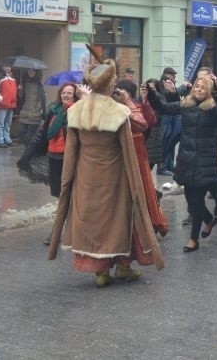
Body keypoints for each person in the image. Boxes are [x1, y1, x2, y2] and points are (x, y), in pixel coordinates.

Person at [48, 59, 164, 288]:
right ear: (110, 85)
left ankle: (101, 271)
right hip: (115, 175)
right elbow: (139, 129)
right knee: (118, 221)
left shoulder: (76, 110)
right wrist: (129, 102)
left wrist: (67, 181)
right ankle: (122, 264)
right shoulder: (119, 111)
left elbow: (71, 151)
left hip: (85, 175)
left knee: (93, 221)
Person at [148, 75, 217, 252]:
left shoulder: (213, 108)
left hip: (204, 161)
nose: (198, 89)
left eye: (202, 87)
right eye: (196, 86)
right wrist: (153, 92)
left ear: (209, 91)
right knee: (191, 200)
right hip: (186, 160)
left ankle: (193, 239)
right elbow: (163, 107)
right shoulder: (186, 105)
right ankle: (210, 220)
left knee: (197, 201)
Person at [18, 82, 84, 245]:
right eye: (64, 92)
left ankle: (56, 232)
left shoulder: (77, 111)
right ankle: (74, 228)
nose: (66, 95)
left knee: (65, 196)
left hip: (69, 159)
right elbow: (43, 133)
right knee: (60, 194)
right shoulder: (54, 110)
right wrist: (29, 153)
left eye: (70, 93)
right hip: (53, 157)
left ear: (75, 95)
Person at [116, 79, 168, 238]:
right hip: (120, 158)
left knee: (142, 192)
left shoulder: (137, 107)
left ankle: (149, 222)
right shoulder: (113, 109)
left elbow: (148, 122)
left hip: (138, 156)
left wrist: (142, 100)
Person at [158, 67, 181, 176]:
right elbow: (164, 100)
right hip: (165, 117)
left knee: (170, 142)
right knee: (166, 142)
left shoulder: (169, 84)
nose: (174, 77)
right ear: (167, 75)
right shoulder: (163, 84)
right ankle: (163, 166)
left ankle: (169, 165)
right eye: (173, 75)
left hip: (171, 116)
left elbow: (175, 99)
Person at [17, 68, 47, 145]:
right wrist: (20, 90)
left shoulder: (39, 84)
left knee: (32, 135)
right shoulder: (24, 82)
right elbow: (21, 97)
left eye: (32, 71)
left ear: (36, 72)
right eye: (28, 71)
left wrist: (37, 109)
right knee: (21, 132)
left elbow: (42, 99)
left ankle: (30, 152)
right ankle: (30, 150)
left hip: (34, 113)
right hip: (25, 111)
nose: (30, 72)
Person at [0, 64, 18, 148]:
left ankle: (7, 139)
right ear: (2, 67)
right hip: (3, 105)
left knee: (8, 123)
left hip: (11, 104)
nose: (8, 68)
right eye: (6, 66)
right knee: (0, 123)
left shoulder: (12, 78)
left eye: (9, 66)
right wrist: (1, 100)